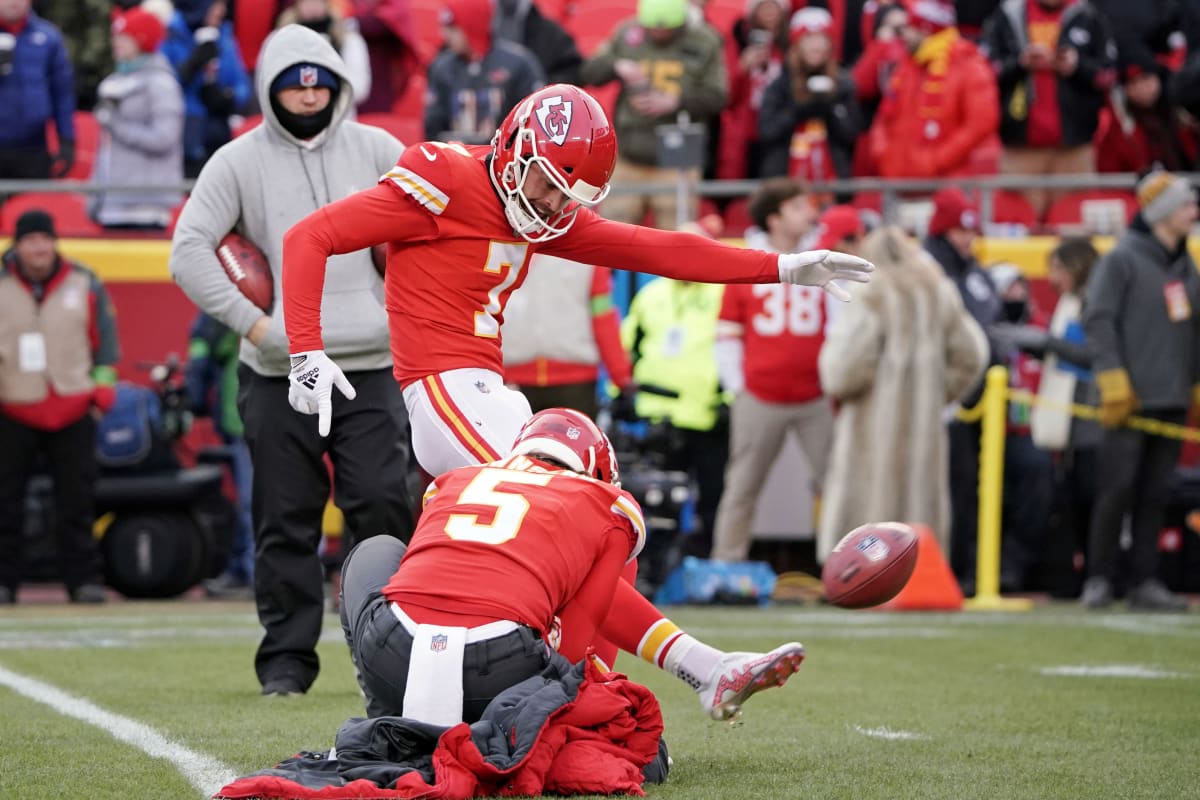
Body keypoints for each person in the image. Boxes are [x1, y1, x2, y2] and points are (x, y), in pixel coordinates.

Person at [279, 82, 872, 719]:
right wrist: (306, 352)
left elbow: (655, 249)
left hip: (487, 398)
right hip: (445, 391)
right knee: (590, 517)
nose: (552, 205)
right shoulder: (445, 179)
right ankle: (682, 672)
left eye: (568, 196)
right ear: (512, 149)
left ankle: (595, 690)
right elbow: (309, 237)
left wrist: (781, 268)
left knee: (606, 525)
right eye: (545, 184)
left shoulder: (540, 210)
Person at [170, 24, 414, 697]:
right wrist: (257, 326)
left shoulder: (378, 148)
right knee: (284, 515)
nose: (308, 96)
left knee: (383, 504)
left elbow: (428, 229)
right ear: (270, 87)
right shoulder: (237, 159)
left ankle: (392, 651)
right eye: (293, 83)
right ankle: (286, 662)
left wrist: (402, 310)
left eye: (319, 83)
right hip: (281, 371)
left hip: (369, 363)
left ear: (336, 85)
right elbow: (188, 250)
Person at [817, 225, 989, 563]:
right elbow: (973, 353)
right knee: (921, 507)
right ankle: (922, 570)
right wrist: (937, 393)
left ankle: (858, 570)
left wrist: (865, 384)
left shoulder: (870, 291)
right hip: (925, 424)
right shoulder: (939, 289)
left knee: (865, 507)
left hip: (871, 421)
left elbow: (840, 370)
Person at [709, 200, 857, 563]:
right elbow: (727, 332)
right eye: (795, 207)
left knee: (838, 486)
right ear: (773, 218)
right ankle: (725, 567)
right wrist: (738, 388)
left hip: (814, 395)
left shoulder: (821, 257)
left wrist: (834, 381)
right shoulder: (748, 258)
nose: (807, 214)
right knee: (742, 486)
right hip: (760, 395)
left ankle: (849, 566)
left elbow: (839, 323)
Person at [1079, 170, 1199, 611]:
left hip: (1172, 396)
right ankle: (1098, 577)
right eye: (1186, 205)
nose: (1193, 212)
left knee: (1156, 493)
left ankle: (1145, 581)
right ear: (1163, 213)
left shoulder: (1185, 262)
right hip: (1128, 399)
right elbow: (1098, 320)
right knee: (1117, 489)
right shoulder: (1122, 258)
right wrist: (1112, 378)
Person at [0, 209, 119, 605]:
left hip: (73, 406)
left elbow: (106, 343)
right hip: (13, 405)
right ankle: (4, 582)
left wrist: (100, 396)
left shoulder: (85, 281)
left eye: (45, 239)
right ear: (16, 245)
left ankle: (83, 580)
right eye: (31, 239)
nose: (39, 247)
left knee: (78, 503)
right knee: (5, 502)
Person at [579, 0, 728, 228]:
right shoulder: (628, 32)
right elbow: (589, 71)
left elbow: (718, 96)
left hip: (678, 162)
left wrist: (676, 101)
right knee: (612, 234)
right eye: (652, 28)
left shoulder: (705, 40)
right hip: (629, 156)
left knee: (675, 240)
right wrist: (617, 65)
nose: (658, 33)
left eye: (665, 29)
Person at [923, 186, 1002, 593]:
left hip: (981, 398)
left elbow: (989, 321)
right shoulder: (930, 271)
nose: (967, 239)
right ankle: (945, 570)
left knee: (970, 488)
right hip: (943, 400)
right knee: (947, 488)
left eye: (970, 232)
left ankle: (969, 570)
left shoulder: (974, 271)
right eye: (959, 232)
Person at [622, 274, 727, 558]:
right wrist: (620, 391)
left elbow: (733, 347)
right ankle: (650, 567)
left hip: (708, 415)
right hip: (657, 413)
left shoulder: (722, 293)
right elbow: (629, 344)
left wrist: (728, 399)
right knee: (654, 500)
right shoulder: (651, 294)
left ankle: (707, 565)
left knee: (713, 496)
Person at [981, 0, 1116, 217]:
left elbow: (1108, 75)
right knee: (1018, 230)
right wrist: (1020, 63)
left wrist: (1077, 66)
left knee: (1074, 228)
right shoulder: (1008, 14)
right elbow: (986, 71)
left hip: (1074, 148)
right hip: (1021, 148)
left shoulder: (1088, 15)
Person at [867, 0, 1000, 179]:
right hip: (903, 183)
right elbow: (884, 118)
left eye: (908, 28)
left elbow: (980, 125)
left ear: (925, 28)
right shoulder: (907, 67)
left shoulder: (968, 65)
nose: (903, 35)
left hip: (953, 186)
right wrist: (884, 156)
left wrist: (935, 161)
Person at [501, 255, 634, 419]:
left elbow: (603, 318)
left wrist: (621, 376)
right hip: (572, 385)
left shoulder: (504, 247)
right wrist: (622, 378)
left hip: (518, 380)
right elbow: (603, 319)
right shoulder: (589, 255)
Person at [89, 7, 184, 231]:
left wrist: (115, 124)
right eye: (116, 37)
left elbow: (164, 138)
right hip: (110, 203)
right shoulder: (114, 80)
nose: (116, 43)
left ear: (141, 40)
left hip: (145, 207)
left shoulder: (162, 84)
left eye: (124, 38)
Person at [185, 312, 254, 597]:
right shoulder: (228, 310)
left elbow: (203, 354)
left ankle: (254, 571)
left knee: (257, 501)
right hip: (244, 415)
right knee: (252, 501)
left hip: (253, 414)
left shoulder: (223, 311)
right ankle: (249, 570)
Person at [424, 0, 545, 144]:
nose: (445, 34)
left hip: (505, 160)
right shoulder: (442, 67)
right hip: (457, 158)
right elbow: (433, 128)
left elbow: (534, 122)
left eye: (453, 28)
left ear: (472, 24)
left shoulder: (519, 64)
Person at [161, 0, 251, 177]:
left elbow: (242, 85)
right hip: (184, 136)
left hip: (218, 134)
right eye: (217, 5)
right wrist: (191, 67)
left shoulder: (225, 36)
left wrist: (228, 98)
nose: (222, 11)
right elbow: (161, 85)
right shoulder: (171, 35)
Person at [0, 0, 76, 180]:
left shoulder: (48, 36)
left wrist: (66, 139)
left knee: (33, 206)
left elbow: (62, 93)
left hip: (34, 147)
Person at [275, 0, 373, 109]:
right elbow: (268, 81)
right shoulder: (279, 39)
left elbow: (359, 86)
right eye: (306, 2)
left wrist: (323, 95)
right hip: (290, 115)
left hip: (338, 114)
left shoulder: (348, 39)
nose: (312, 7)